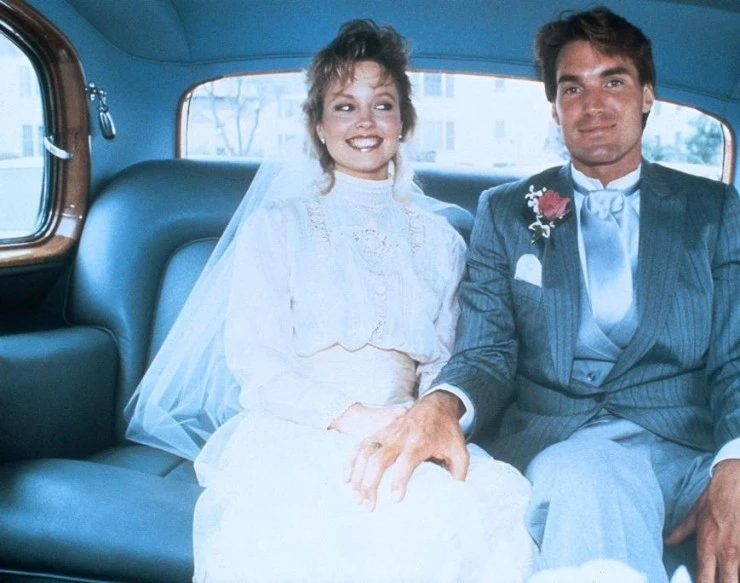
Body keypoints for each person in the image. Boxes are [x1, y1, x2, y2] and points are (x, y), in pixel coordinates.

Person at [125, 19, 537, 582]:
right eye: (345, 106)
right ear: (318, 126)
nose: (365, 122)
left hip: (402, 428)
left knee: (489, 507)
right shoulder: (278, 226)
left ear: (404, 122)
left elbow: (442, 365)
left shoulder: (443, 241)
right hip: (295, 429)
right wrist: (357, 419)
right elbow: (258, 366)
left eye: (383, 105)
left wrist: (418, 425)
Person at [346, 6, 740, 583]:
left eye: (613, 82)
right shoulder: (507, 211)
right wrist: (442, 404)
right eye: (572, 88)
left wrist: (733, 462)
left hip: (691, 455)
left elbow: (735, 358)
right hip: (567, 447)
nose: (593, 105)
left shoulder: (715, 210)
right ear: (554, 107)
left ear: (647, 95)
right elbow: (486, 351)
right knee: (593, 475)